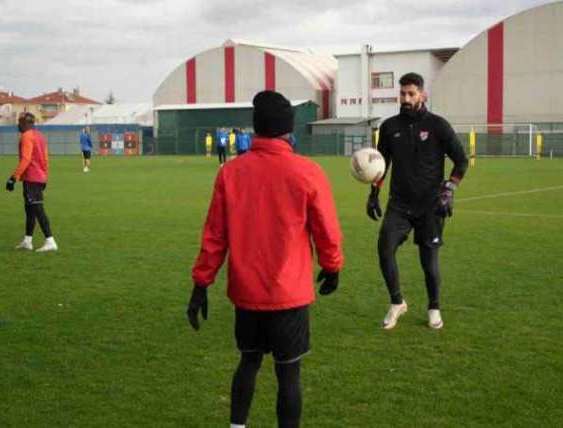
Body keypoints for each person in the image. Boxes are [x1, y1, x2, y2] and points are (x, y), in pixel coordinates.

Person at [188, 90, 343, 428]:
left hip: (247, 293)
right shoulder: (308, 172)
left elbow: (215, 236)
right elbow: (326, 230)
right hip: (289, 293)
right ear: (289, 131)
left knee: (248, 362)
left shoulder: (230, 173)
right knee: (289, 374)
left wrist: (201, 284)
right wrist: (332, 267)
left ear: (255, 128)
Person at [367, 72, 468, 330]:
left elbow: (461, 160)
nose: (406, 98)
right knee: (384, 248)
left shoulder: (438, 125)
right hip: (399, 204)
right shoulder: (389, 127)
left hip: (430, 205)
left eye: (411, 93)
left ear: (423, 95)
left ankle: (434, 307)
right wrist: (374, 193)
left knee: (429, 262)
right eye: (402, 93)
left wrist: (448, 190)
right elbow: (381, 165)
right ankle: (396, 302)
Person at [7, 112, 58, 252]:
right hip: (39, 177)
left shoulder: (26, 137)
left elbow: (26, 159)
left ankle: (50, 241)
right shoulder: (40, 136)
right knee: (30, 210)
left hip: (32, 178)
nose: (18, 125)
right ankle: (27, 241)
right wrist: (44, 175)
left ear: (25, 123)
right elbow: (46, 159)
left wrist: (14, 178)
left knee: (38, 210)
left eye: (19, 122)